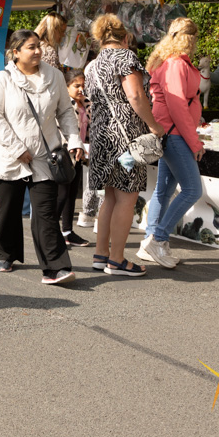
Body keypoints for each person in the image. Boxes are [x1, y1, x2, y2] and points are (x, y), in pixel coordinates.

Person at [0, 30, 84, 284]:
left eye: (38, 46)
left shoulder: (55, 76)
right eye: (31, 47)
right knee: (9, 209)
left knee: (46, 213)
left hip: (45, 156)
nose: (38, 51)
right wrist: (17, 149)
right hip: (12, 156)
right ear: (15, 52)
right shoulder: (3, 79)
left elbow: (65, 112)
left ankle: (55, 267)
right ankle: (5, 253)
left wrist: (74, 141)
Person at [84, 14, 165, 277]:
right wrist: (153, 125)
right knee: (127, 199)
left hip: (100, 135)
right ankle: (117, 259)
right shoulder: (126, 58)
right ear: (125, 36)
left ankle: (101, 255)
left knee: (110, 196)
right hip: (125, 136)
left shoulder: (92, 65)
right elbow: (135, 95)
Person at [138, 18, 204, 270]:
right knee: (192, 191)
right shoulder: (177, 64)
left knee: (164, 191)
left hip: (170, 133)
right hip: (176, 134)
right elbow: (177, 106)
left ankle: (151, 242)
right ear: (191, 39)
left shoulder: (168, 62)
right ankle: (159, 238)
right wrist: (195, 142)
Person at [56, 69, 92, 248]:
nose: (80, 89)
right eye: (76, 85)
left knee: (71, 195)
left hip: (81, 155)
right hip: (65, 154)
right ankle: (52, 231)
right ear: (66, 86)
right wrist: (70, 146)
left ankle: (67, 231)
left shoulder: (86, 105)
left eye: (83, 86)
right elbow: (60, 129)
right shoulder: (64, 105)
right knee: (61, 195)